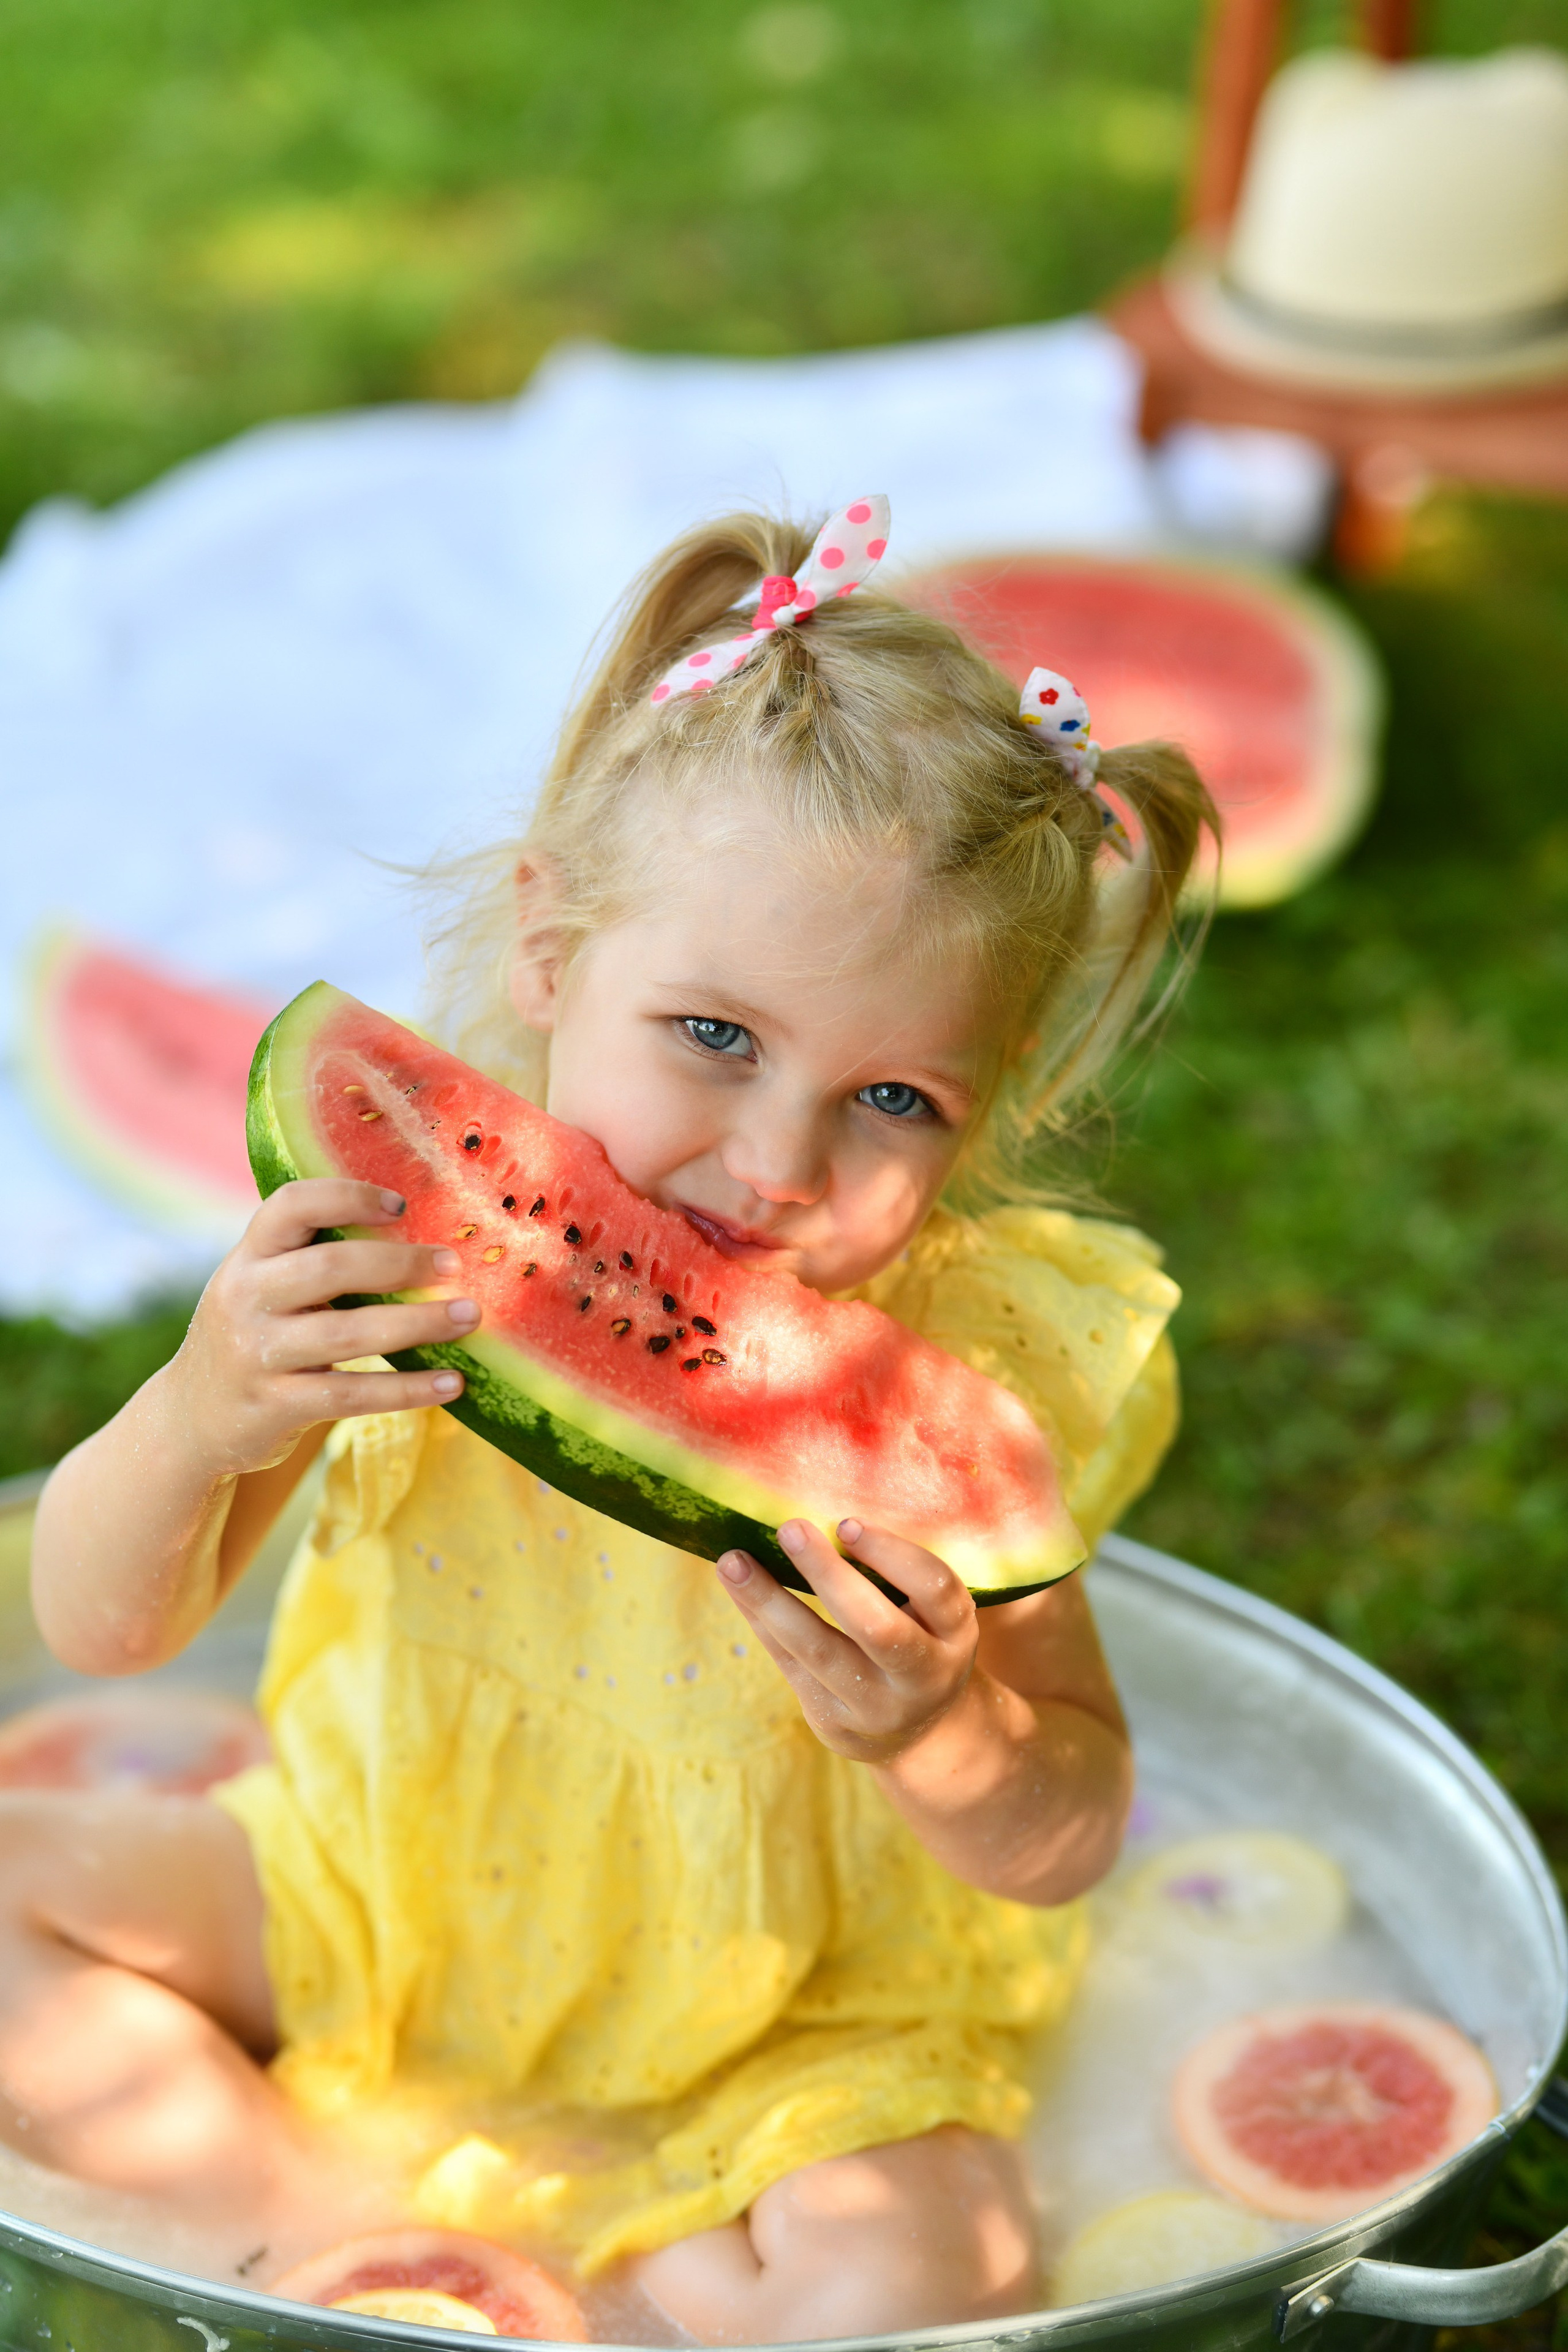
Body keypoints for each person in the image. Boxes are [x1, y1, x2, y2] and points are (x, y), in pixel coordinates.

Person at [20, 497, 1215, 2340]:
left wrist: (950, 1731)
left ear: (986, 1116)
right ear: (555, 951)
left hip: (803, 2030)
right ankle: (311, 2235)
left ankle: (588, 2278)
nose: (776, 1165)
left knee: (926, 2273)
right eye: (717, 1037)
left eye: (892, 1098)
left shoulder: (978, 1383)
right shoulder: (397, 1249)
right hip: (370, 1918)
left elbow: (1070, 1826)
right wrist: (202, 1413)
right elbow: (105, 1630)